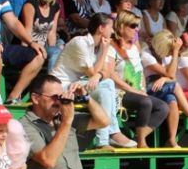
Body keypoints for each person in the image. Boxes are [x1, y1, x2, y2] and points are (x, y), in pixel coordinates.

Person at [50, 13, 135, 149]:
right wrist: (103, 56)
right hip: (61, 87)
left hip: (77, 86)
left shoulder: (100, 46)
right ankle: (111, 134)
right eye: (111, 27)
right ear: (101, 28)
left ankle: (105, 139)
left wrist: (98, 75)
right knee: (107, 85)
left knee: (108, 85)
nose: (113, 31)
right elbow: (92, 73)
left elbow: (105, 73)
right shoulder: (80, 42)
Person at [107, 11, 171, 148]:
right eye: (133, 25)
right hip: (119, 92)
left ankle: (139, 138)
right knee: (145, 102)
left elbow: (139, 72)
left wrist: (142, 89)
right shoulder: (111, 46)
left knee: (163, 107)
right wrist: (133, 90)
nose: (137, 29)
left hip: (135, 92)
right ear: (122, 26)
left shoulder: (134, 48)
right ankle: (142, 143)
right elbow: (110, 74)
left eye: (137, 26)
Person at [19, 0, 62, 71]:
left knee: (59, 50)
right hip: (30, 45)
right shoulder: (31, 5)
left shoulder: (55, 6)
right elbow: (26, 32)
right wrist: (22, 55)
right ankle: (51, 79)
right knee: (56, 52)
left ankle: (54, 77)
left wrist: (51, 51)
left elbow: (51, 33)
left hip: (44, 45)